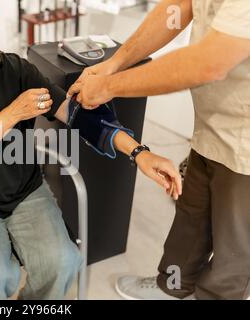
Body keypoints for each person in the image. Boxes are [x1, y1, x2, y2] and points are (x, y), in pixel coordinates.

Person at [0, 0, 181, 300]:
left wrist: (139, 152)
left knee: (63, 263)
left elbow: (78, 116)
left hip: (25, 191)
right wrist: (13, 113)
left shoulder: (13, 69)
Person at [68, 0, 250, 300]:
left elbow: (210, 63)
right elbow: (179, 7)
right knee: (193, 210)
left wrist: (109, 86)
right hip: (213, 123)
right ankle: (174, 285)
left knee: (234, 247)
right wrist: (115, 63)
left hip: (244, 141)